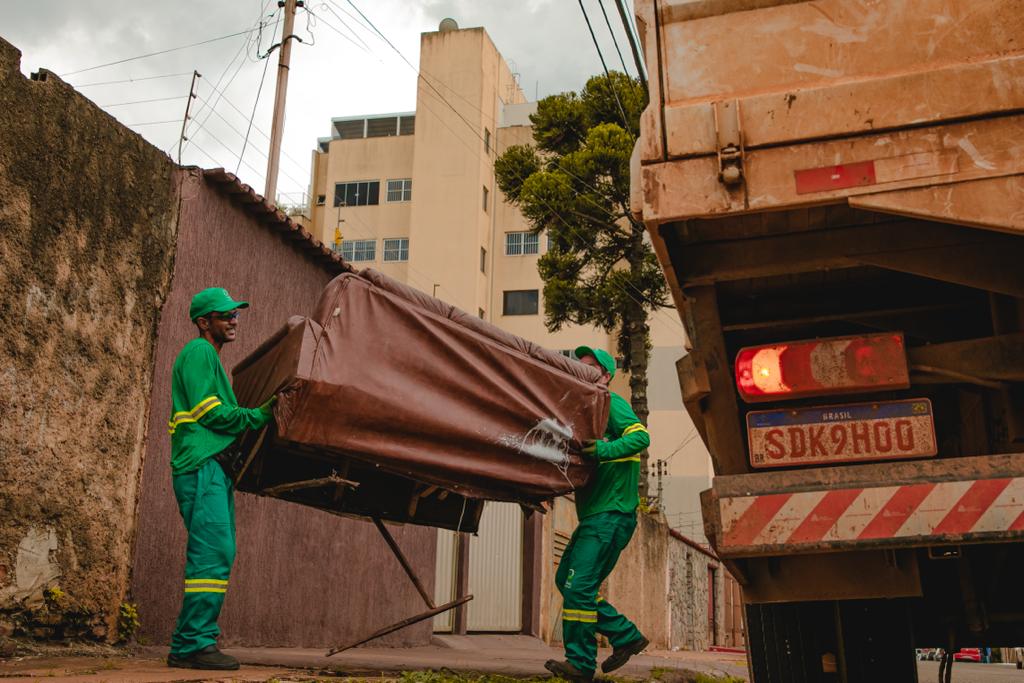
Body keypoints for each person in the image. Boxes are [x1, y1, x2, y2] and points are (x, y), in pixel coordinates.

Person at [165, 288, 276, 671]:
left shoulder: (211, 360)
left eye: (236, 315)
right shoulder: (199, 353)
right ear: (202, 322)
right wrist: (258, 415)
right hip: (201, 466)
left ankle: (189, 643)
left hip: (210, 468)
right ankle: (195, 644)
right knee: (212, 554)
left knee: (219, 552)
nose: (233, 320)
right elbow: (208, 411)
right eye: (224, 315)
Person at [545, 346, 652, 682]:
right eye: (579, 366)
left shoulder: (608, 402)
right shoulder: (584, 412)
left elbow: (640, 437)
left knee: (578, 589)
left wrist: (603, 449)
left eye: (590, 367)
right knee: (568, 581)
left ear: (604, 376)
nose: (582, 370)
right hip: (597, 517)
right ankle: (625, 635)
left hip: (611, 515)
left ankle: (580, 664)